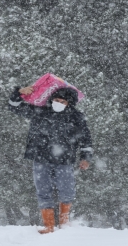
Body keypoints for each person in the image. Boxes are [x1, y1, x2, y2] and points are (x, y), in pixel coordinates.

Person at [8, 85, 93, 234]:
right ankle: (48, 225)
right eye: (56, 99)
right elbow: (14, 107)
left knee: (67, 191)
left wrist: (85, 157)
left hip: (65, 160)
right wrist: (18, 92)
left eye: (62, 101)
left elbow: (86, 139)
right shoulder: (41, 111)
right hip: (41, 158)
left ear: (69, 103)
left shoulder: (76, 117)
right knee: (43, 191)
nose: (58, 103)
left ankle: (64, 223)